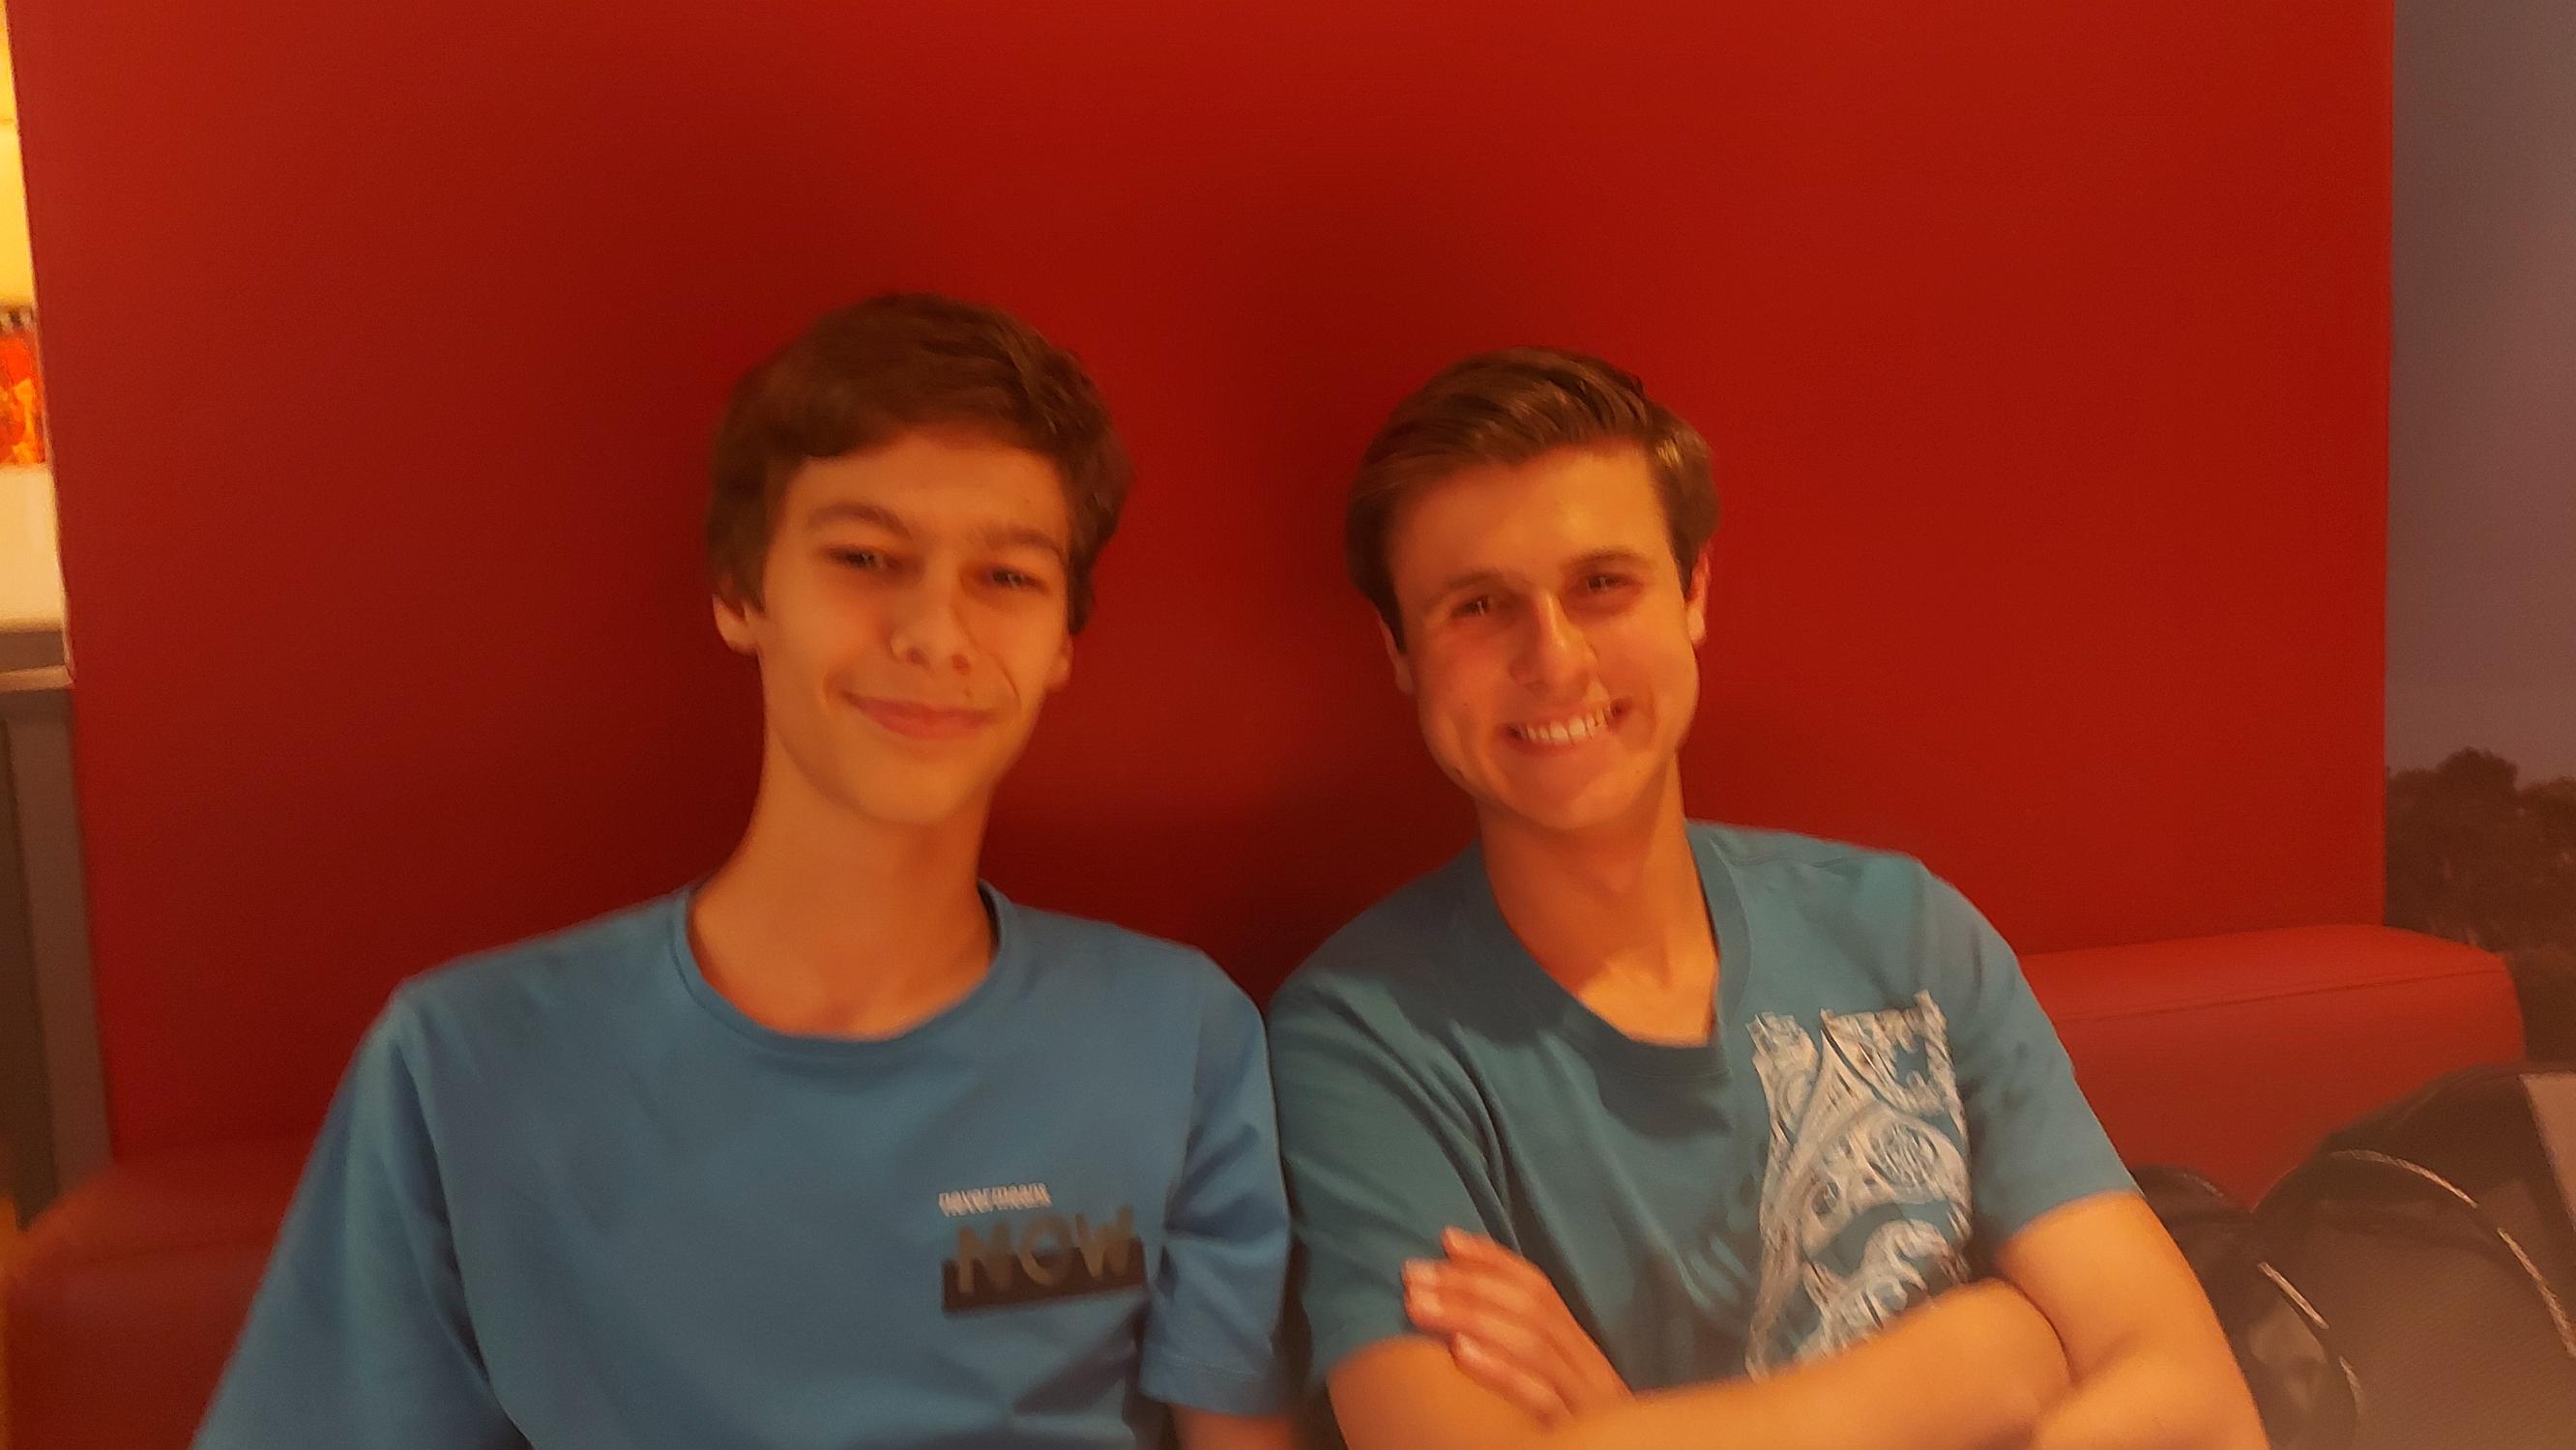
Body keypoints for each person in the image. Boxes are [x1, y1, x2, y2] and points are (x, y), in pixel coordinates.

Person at [197, 294, 1294, 1450]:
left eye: (1008, 577)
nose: (936, 634)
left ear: (1063, 640)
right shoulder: (461, 1066)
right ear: (741, 595)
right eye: (866, 558)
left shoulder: (1179, 1037)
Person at [1268, 346, 2263, 1450]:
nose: (1552, 659)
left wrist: (1633, 1432)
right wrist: (1967, 1368)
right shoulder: (1365, 1036)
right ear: (1401, 654)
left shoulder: (1904, 931)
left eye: (1602, 585)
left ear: (1694, 592)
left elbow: (2199, 1406)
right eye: (1478, 605)